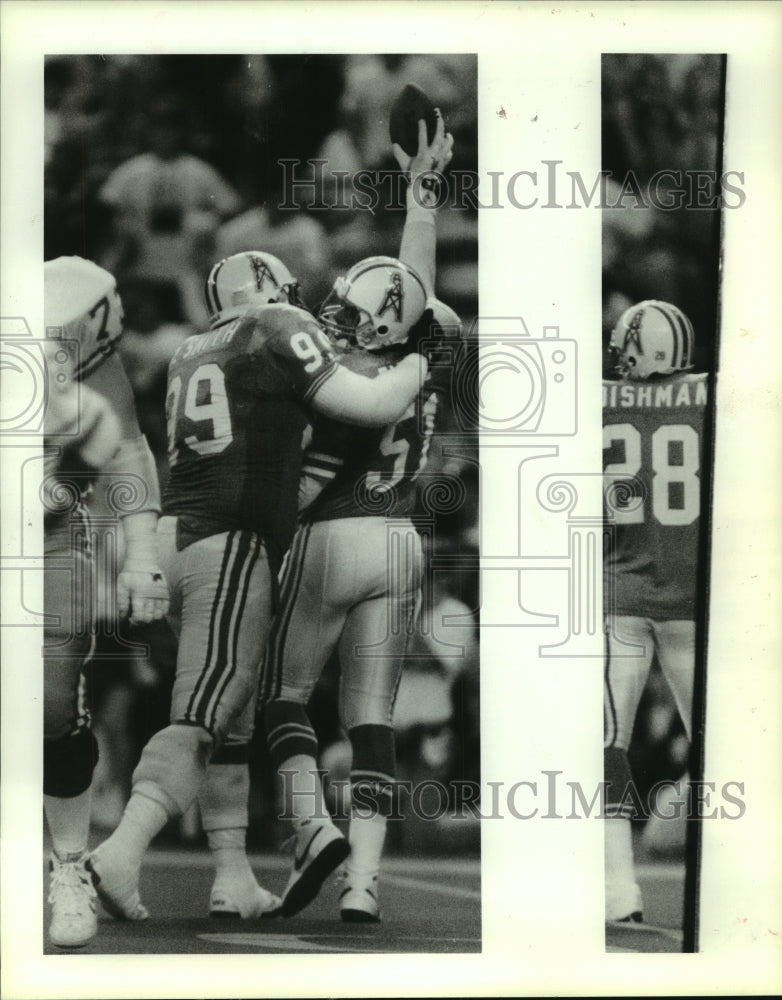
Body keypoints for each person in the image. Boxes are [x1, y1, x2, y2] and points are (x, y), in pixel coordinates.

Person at [86, 247, 434, 921]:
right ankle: (120, 854)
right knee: (204, 716)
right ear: (271, 288)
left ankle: (233, 875)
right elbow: (371, 400)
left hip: (179, 536)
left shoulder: (192, 346)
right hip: (232, 543)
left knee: (234, 719)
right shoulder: (275, 325)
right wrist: (424, 355)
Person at [259, 264, 459, 925]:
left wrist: (267, 536)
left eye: (352, 310)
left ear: (386, 328)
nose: (338, 316)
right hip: (401, 539)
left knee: (283, 696)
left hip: (333, 534)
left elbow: (311, 480)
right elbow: (412, 285)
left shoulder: (361, 375)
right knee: (371, 717)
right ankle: (363, 883)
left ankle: (313, 831)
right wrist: (423, 198)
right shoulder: (420, 373)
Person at [43, 256, 170, 948]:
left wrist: (144, 559)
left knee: (54, 702)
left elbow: (126, 456)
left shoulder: (87, 347)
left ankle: (68, 865)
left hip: (52, 535)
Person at [602, 299, 706, 923]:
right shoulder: (708, 395)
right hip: (694, 602)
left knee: (607, 745)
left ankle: (620, 890)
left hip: (621, 601)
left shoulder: (598, 400)